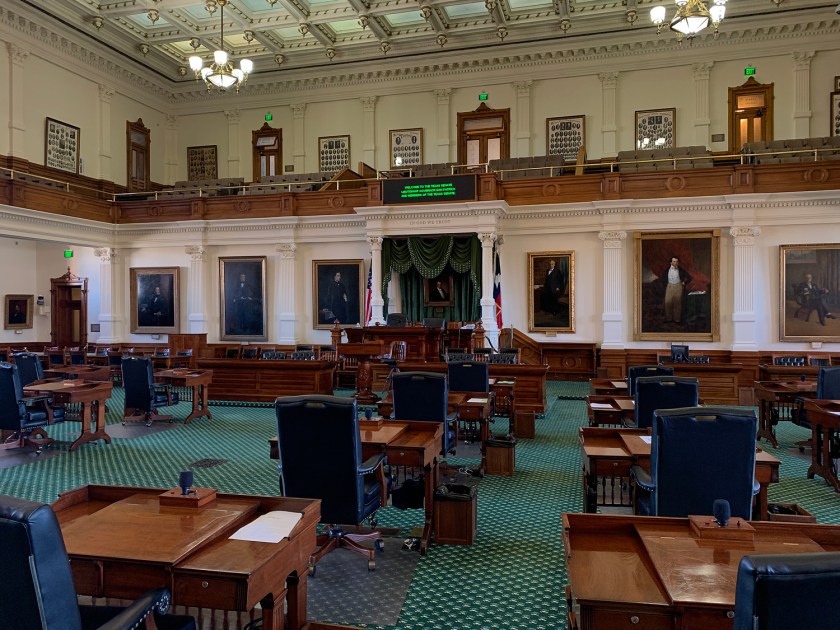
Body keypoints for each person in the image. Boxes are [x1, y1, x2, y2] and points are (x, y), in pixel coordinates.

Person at [660, 256, 692, 324]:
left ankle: (677, 319)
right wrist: (666, 285)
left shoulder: (681, 269)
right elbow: (662, 279)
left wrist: (684, 282)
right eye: (674, 261)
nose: (676, 263)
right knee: (667, 303)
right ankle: (668, 319)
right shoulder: (666, 270)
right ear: (671, 262)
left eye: (677, 261)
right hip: (669, 286)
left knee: (677, 303)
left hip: (678, 286)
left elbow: (689, 277)